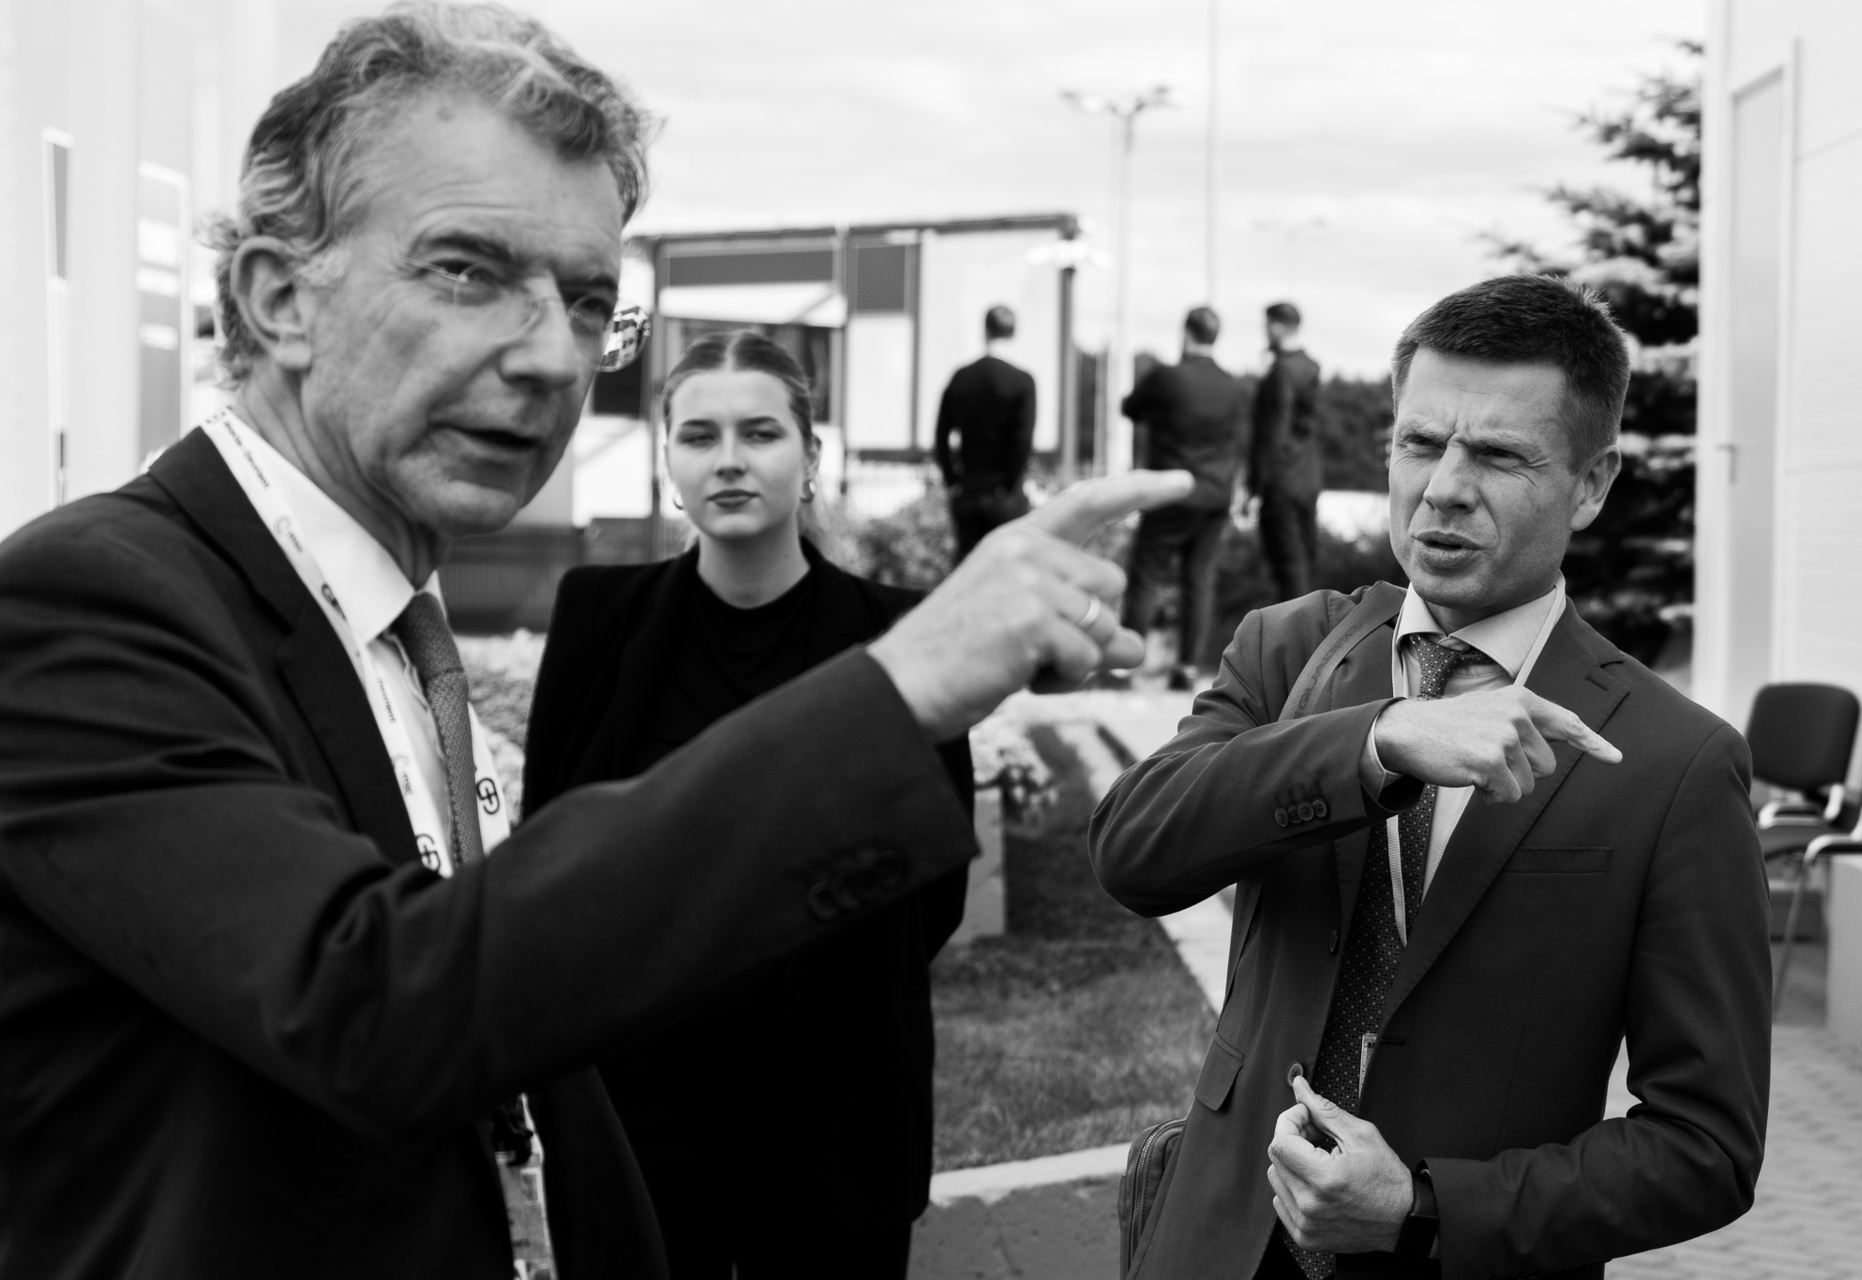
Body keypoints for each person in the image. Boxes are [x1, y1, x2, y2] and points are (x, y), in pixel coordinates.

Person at [0, 8, 1191, 1280]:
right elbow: (381, 1002)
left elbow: (516, 1042)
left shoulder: (394, 624)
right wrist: (900, 689)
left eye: (587, 303)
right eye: (468, 272)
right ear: (279, 298)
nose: (551, 358)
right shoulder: (83, 605)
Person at [1091, 275, 1769, 1279]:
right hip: (1219, 1244)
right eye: (1419, 442)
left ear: (1591, 484)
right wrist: (1380, 739)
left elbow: (1706, 1146)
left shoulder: (1672, 760)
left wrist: (1419, 1207)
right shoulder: (1290, 653)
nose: (1444, 487)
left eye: (1497, 454)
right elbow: (1132, 849)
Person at [521, 330, 971, 1280]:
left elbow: (934, 890)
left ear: (811, 459)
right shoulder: (598, 618)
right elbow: (551, 854)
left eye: (760, 433)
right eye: (700, 436)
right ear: (670, 464)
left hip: (837, 1109)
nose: (728, 459)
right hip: (641, 1106)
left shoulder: (900, 633)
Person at [1119, 305, 1249, 690]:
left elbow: (1130, 407)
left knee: (1146, 574)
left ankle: (1127, 663)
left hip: (1172, 491)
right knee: (1199, 580)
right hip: (1215, 496)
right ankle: (1187, 668)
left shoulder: (1167, 378)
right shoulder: (1233, 386)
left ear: (1186, 332)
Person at [932, 304, 1037, 559]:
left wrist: (953, 480)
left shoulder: (961, 377)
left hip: (968, 490)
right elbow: (1022, 440)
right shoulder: (1022, 381)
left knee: (968, 567)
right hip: (1004, 496)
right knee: (1008, 568)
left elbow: (941, 435)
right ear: (1014, 333)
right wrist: (1009, 484)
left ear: (986, 331)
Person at [1250, 301, 1324, 601]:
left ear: (1277, 326)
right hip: (1308, 479)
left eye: (1266, 326)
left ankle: (1298, 629)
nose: (1264, 332)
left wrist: (1256, 486)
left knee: (1288, 568)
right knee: (1305, 560)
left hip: (1281, 482)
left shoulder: (1282, 372)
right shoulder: (1311, 366)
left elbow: (1273, 433)